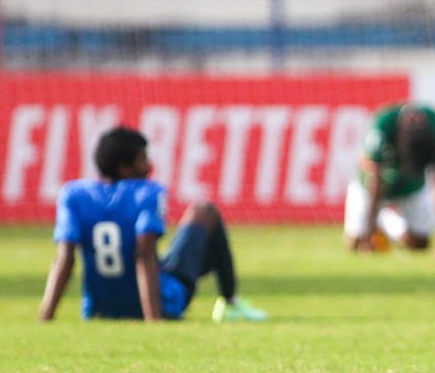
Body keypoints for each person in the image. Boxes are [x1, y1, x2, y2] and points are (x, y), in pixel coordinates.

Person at [38, 126, 265, 322]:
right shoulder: (147, 192)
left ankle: (230, 303)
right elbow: (144, 254)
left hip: (99, 310)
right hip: (158, 302)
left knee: (165, 257)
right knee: (205, 211)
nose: (149, 165)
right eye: (143, 159)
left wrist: (45, 316)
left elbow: (65, 256)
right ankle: (230, 302)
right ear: (125, 168)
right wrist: (154, 319)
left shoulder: (73, 194)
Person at [345, 102, 435, 252]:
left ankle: (389, 223)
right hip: (371, 186)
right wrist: (367, 238)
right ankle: (374, 226)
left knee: (420, 244)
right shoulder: (383, 123)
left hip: (410, 187)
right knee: (355, 243)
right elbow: (375, 181)